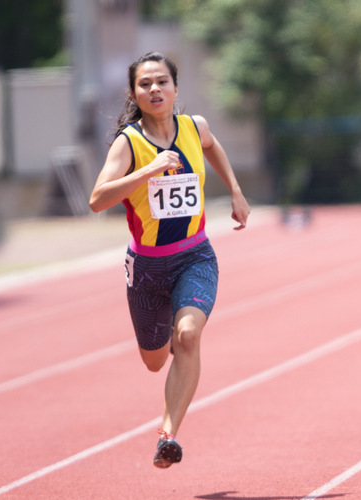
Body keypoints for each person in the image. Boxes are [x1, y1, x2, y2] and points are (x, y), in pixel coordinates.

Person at [89, 52, 251, 468]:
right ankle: (170, 374)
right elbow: (96, 200)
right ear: (134, 93)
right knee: (154, 360)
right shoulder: (130, 142)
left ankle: (168, 435)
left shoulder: (194, 127)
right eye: (145, 84)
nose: (154, 89)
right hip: (146, 269)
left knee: (189, 336)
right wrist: (148, 171)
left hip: (195, 256)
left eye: (162, 82)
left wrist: (234, 189)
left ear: (176, 88)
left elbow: (213, 149)